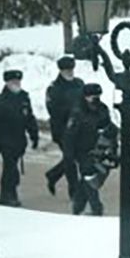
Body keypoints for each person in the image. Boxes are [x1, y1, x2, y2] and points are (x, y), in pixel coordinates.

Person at [0, 69, 39, 207]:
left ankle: (11, 193)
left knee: (12, 168)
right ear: (7, 83)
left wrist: (34, 135)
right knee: (10, 169)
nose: (16, 84)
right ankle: (7, 195)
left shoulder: (23, 99)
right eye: (13, 82)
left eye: (18, 81)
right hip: (5, 141)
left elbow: (29, 118)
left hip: (19, 141)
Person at [63, 83, 113, 216]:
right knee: (89, 175)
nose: (96, 99)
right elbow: (69, 135)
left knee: (93, 177)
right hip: (82, 150)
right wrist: (69, 154)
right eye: (92, 96)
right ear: (86, 97)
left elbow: (108, 127)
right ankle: (96, 207)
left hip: (99, 149)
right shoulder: (78, 112)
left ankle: (78, 204)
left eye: (98, 96)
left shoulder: (102, 109)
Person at [45, 55, 84, 200]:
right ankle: (74, 191)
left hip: (79, 129)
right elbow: (52, 109)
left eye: (71, 69)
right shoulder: (54, 88)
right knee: (70, 160)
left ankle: (53, 175)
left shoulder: (79, 84)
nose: (70, 72)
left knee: (76, 157)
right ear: (61, 71)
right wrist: (71, 113)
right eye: (67, 70)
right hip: (62, 130)